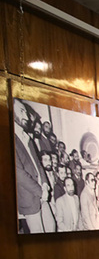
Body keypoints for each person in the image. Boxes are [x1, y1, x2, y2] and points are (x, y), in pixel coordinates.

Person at [13, 99, 55, 233]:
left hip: (41, 193)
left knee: (51, 227)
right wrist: (39, 191)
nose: (25, 115)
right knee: (38, 234)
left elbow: (38, 163)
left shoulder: (27, 138)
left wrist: (44, 184)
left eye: (25, 111)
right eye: (21, 111)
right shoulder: (10, 138)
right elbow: (18, 173)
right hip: (30, 197)